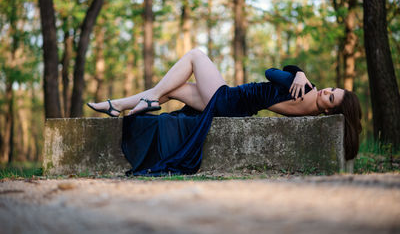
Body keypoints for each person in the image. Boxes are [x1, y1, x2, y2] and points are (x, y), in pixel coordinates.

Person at [87, 48, 362, 176]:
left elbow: (270, 72)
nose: (326, 91)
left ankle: (146, 99)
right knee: (173, 89)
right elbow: (278, 77)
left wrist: (299, 73)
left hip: (229, 99)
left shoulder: (306, 90)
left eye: (331, 97)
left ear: (331, 110)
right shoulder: (310, 110)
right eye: (331, 89)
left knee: (195, 55)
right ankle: (119, 105)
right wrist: (298, 73)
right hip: (234, 106)